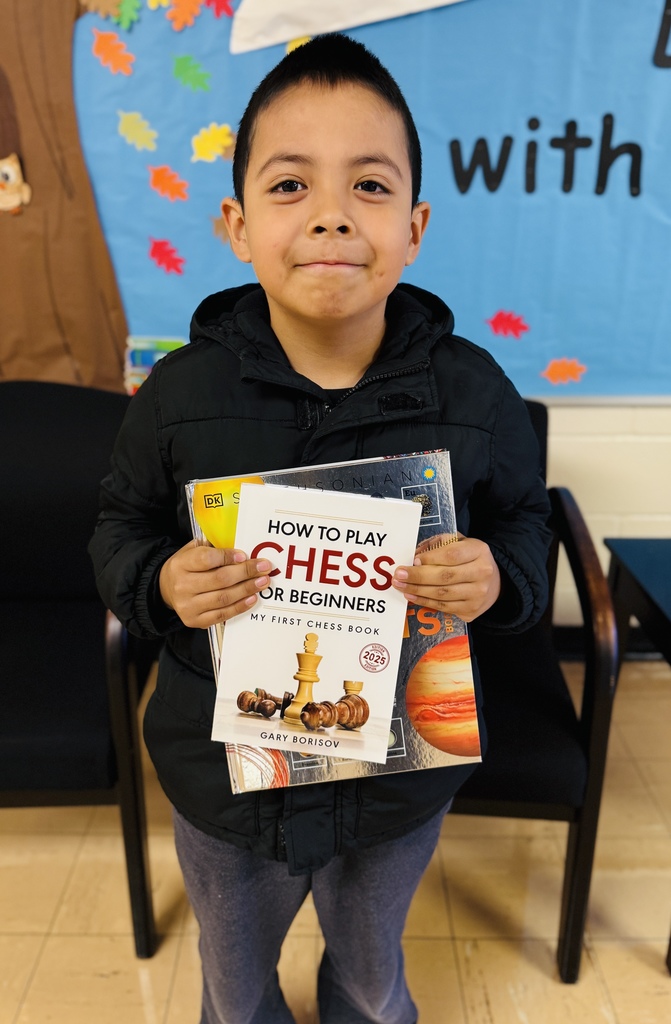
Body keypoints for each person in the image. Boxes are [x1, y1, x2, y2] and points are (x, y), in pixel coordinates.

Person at [90, 33, 551, 1024]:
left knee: (370, 975)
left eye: (371, 187)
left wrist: (494, 578)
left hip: (394, 789)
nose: (332, 214)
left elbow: (522, 522)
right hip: (226, 789)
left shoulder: (473, 393)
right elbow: (119, 526)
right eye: (290, 184)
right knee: (232, 978)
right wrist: (163, 582)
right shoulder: (178, 395)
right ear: (236, 222)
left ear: (416, 224)